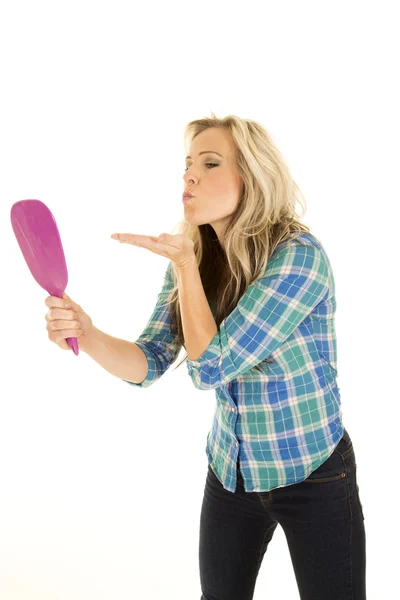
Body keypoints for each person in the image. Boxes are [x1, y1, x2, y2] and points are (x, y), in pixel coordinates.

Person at [44, 113, 366, 599]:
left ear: (253, 177)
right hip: (231, 468)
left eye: (210, 163)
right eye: (188, 165)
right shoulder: (192, 257)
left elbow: (210, 366)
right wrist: (87, 335)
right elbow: (150, 362)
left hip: (313, 470)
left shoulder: (298, 258)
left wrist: (184, 268)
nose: (189, 176)